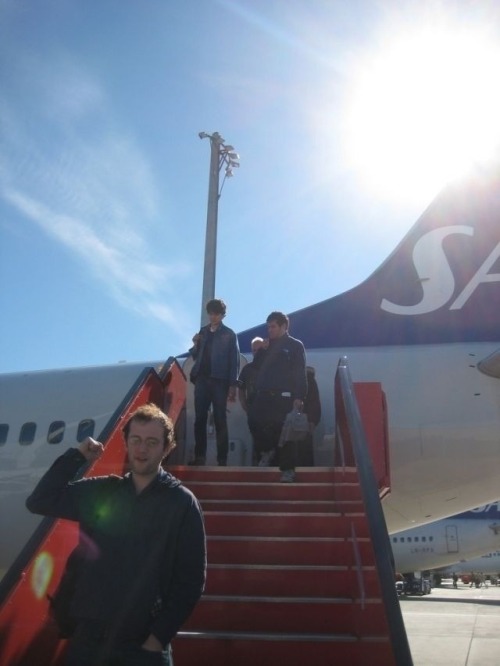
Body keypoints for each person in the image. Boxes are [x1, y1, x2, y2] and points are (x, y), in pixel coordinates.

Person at [26, 403, 206, 666]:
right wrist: (76, 457)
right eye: (136, 440)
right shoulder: (102, 492)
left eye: (152, 442)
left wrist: (157, 640)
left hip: (143, 646)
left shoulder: (181, 503)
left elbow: (191, 580)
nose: (142, 449)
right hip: (89, 643)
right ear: (126, 442)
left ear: (167, 448)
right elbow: (40, 501)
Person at [248, 311, 307, 482]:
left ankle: (288, 470)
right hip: (264, 394)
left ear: (284, 326)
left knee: (286, 432)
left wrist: (299, 396)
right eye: (268, 327)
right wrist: (261, 351)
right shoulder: (267, 346)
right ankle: (266, 450)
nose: (270, 330)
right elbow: (256, 367)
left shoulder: (295, 345)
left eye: (273, 326)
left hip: (284, 396)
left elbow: (300, 372)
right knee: (253, 420)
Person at [188, 298, 240, 466]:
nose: (212, 316)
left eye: (216, 313)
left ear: (222, 315)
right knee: (200, 418)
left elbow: (234, 360)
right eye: (210, 313)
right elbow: (196, 355)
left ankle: (222, 459)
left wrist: (233, 384)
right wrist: (195, 343)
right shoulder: (203, 332)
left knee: (220, 418)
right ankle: (200, 457)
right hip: (202, 379)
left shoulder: (229, 334)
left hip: (220, 380)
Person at [238, 337, 265, 465]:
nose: (257, 352)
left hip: (270, 408)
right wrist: (244, 405)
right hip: (253, 408)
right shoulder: (247, 369)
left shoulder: (272, 367)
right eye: (254, 350)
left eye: (259, 349)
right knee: (256, 436)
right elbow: (241, 388)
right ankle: (258, 460)